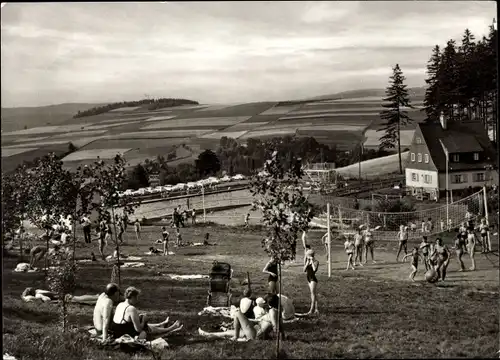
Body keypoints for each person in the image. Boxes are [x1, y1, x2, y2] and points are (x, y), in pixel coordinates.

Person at [110, 287, 183, 340]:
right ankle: (169, 329)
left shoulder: (120, 305)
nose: (137, 300)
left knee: (141, 320)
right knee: (145, 329)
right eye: (136, 298)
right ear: (132, 297)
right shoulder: (131, 309)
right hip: (126, 335)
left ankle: (161, 324)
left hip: (117, 333)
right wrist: (143, 320)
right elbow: (138, 329)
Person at [304, 249, 319, 315]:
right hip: (308, 279)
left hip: (313, 279)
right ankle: (316, 309)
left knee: (313, 294)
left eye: (307, 255)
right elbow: (304, 270)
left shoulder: (316, 261)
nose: (306, 257)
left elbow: (314, 269)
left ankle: (311, 310)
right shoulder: (307, 261)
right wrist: (307, 263)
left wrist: (312, 261)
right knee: (313, 294)